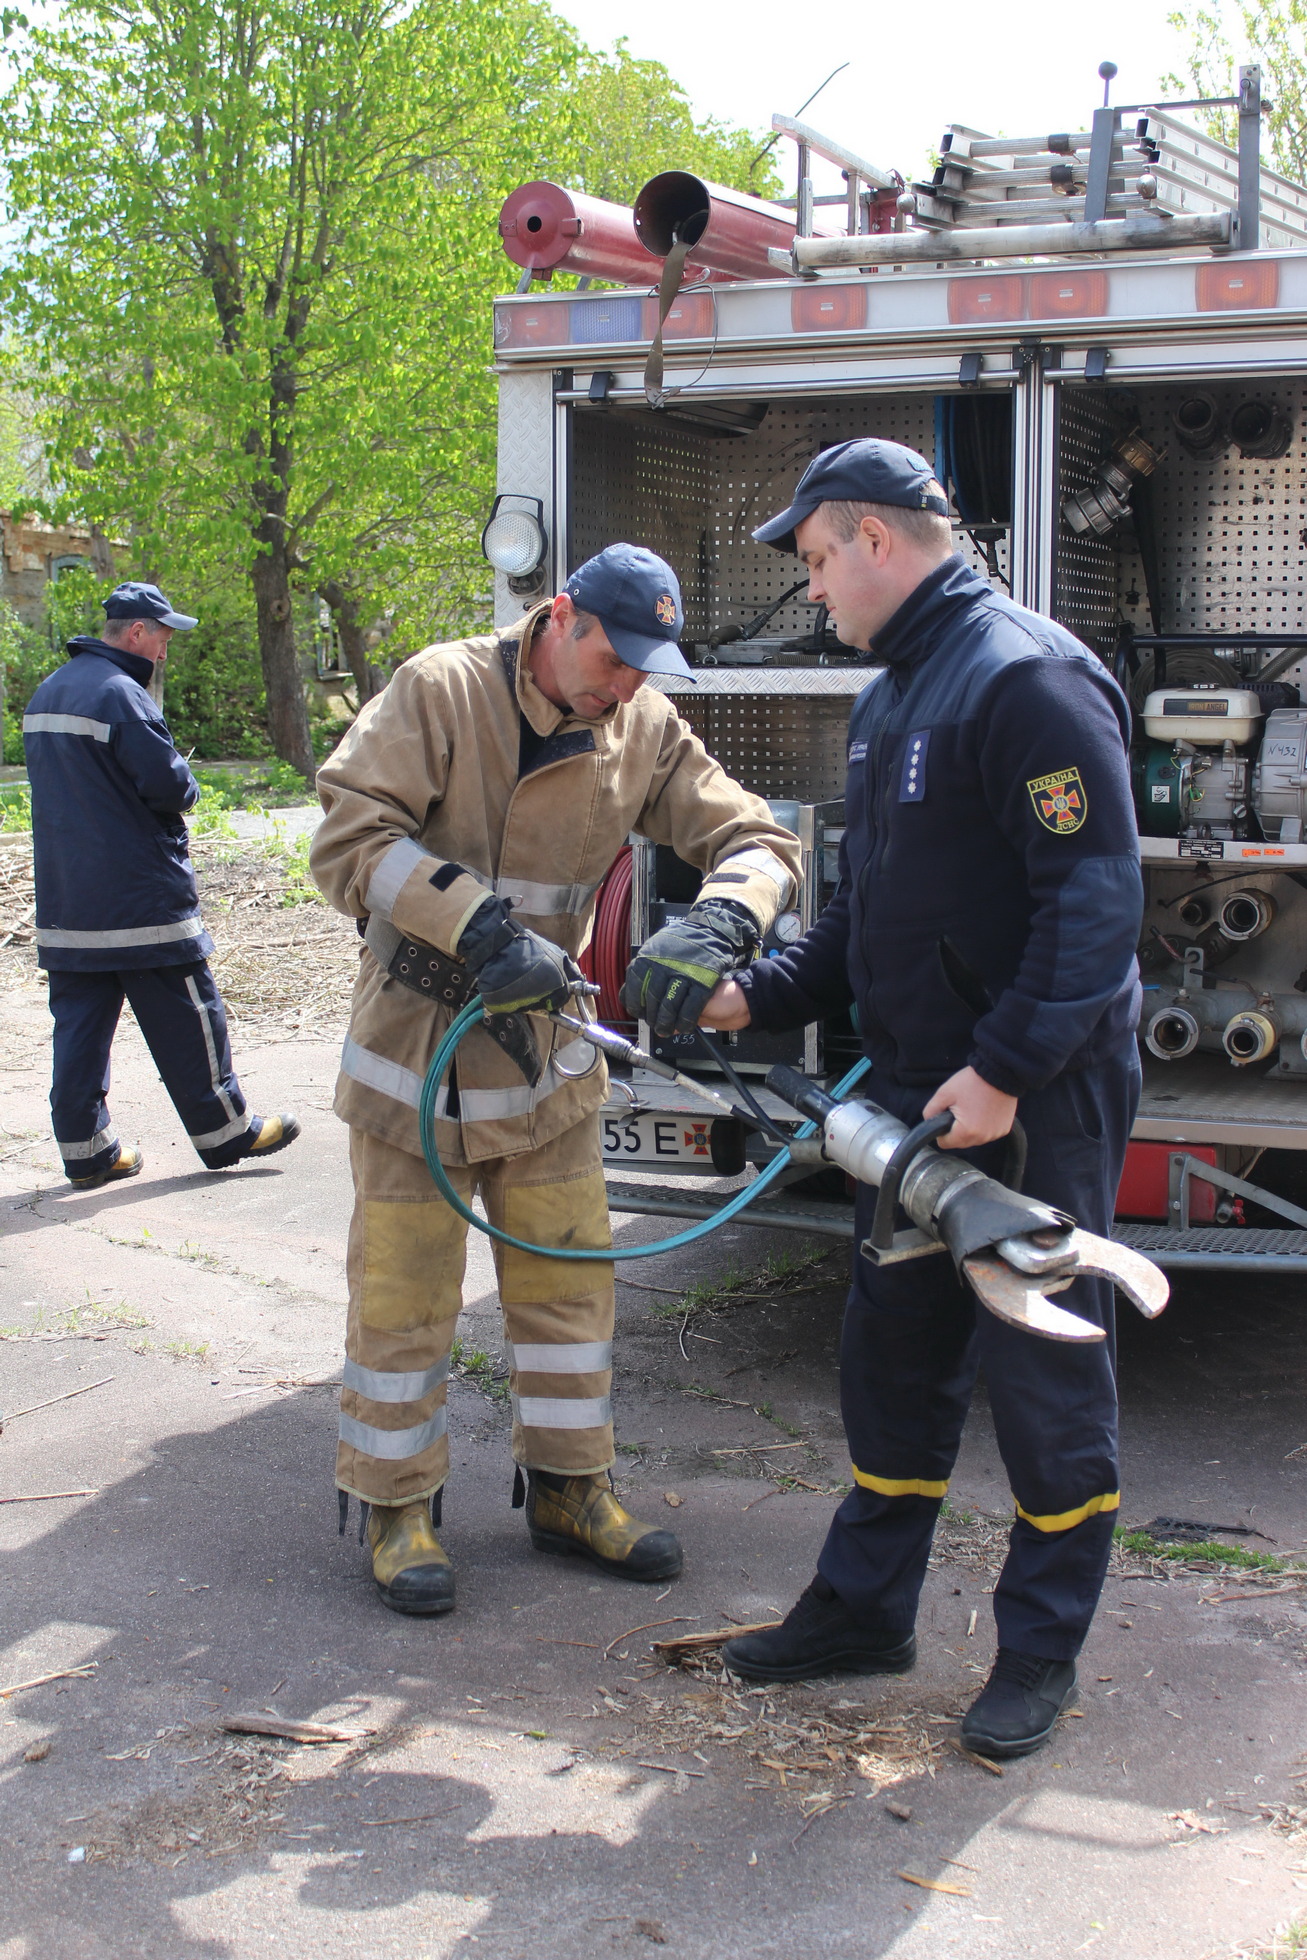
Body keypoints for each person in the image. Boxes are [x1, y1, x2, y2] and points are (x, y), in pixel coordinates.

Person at [702, 440, 1143, 1761]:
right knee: (890, 1362)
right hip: (909, 1093)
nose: (811, 589)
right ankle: (860, 1612)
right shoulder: (895, 691)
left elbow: (1095, 901)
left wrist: (1003, 1070)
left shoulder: (1024, 678)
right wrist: (751, 997)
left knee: (1044, 1382)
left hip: (1030, 1099)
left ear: (872, 539)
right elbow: (865, 912)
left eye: (816, 559)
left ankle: (1037, 1656)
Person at [311, 543, 801, 1617]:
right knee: (402, 1297)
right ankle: (396, 1505)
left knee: (570, 1291)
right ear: (559, 616)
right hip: (416, 1060)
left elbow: (757, 835)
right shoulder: (442, 689)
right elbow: (349, 839)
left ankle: (572, 1492)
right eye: (613, 657)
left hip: (547, 1069)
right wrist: (479, 926)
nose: (622, 685)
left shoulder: (640, 724)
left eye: (642, 669)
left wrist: (724, 916)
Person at [24, 581, 301, 1188]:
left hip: (68, 904)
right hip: (140, 900)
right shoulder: (122, 695)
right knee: (190, 1012)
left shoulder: (49, 692)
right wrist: (188, 783)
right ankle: (228, 1130)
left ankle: (87, 1151)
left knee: (79, 1028)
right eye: (163, 636)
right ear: (135, 632)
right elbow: (170, 787)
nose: (167, 649)